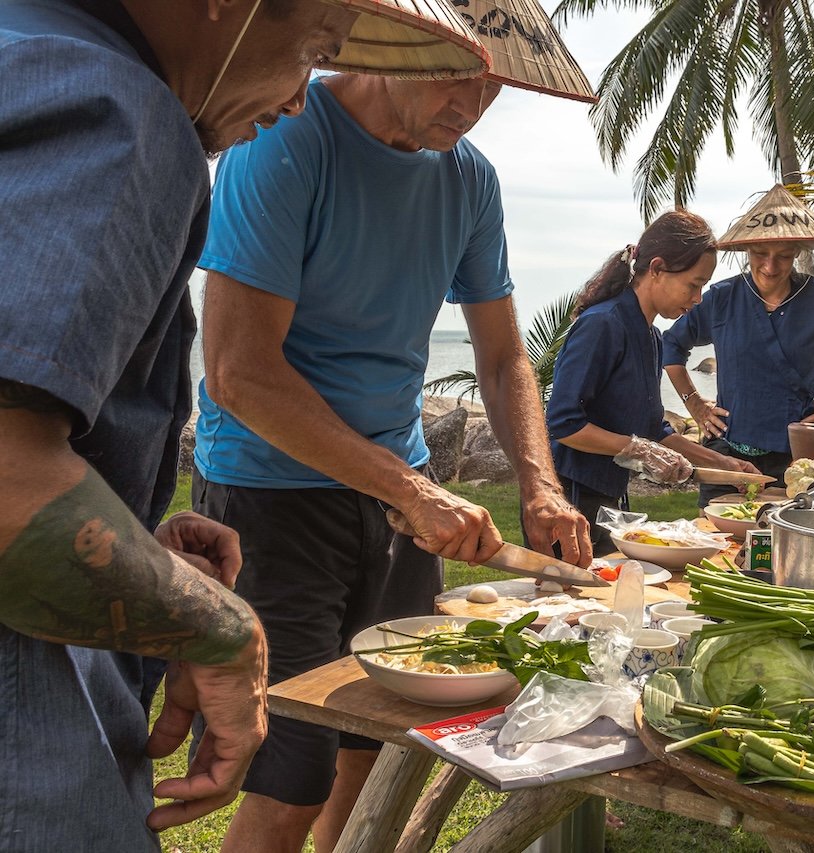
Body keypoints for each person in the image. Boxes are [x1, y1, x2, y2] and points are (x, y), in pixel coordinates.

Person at [0, 0, 486, 849]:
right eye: (313, 47)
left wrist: (136, 540)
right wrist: (218, 628)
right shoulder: (122, 110)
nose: (298, 97)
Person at [189, 3, 596, 848]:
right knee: (289, 772)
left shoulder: (470, 179)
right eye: (455, 72)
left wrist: (542, 488)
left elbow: (503, 357)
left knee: (375, 744)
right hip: (273, 495)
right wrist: (412, 488)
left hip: (397, 501)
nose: (472, 102)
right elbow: (237, 371)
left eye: (492, 84)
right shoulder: (286, 139)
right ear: (397, 46)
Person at [545, 211, 762, 552]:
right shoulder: (602, 324)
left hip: (611, 495)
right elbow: (563, 423)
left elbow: (653, 428)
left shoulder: (653, 337)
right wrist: (640, 450)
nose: (698, 298)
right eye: (694, 284)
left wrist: (723, 464)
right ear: (658, 269)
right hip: (567, 497)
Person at [663, 185, 814, 505]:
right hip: (727, 452)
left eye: (783, 256)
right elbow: (671, 344)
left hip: (800, 460)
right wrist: (694, 403)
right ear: (747, 251)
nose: (770, 267)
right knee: (720, 541)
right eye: (760, 255)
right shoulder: (722, 299)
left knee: (791, 547)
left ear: (797, 251)